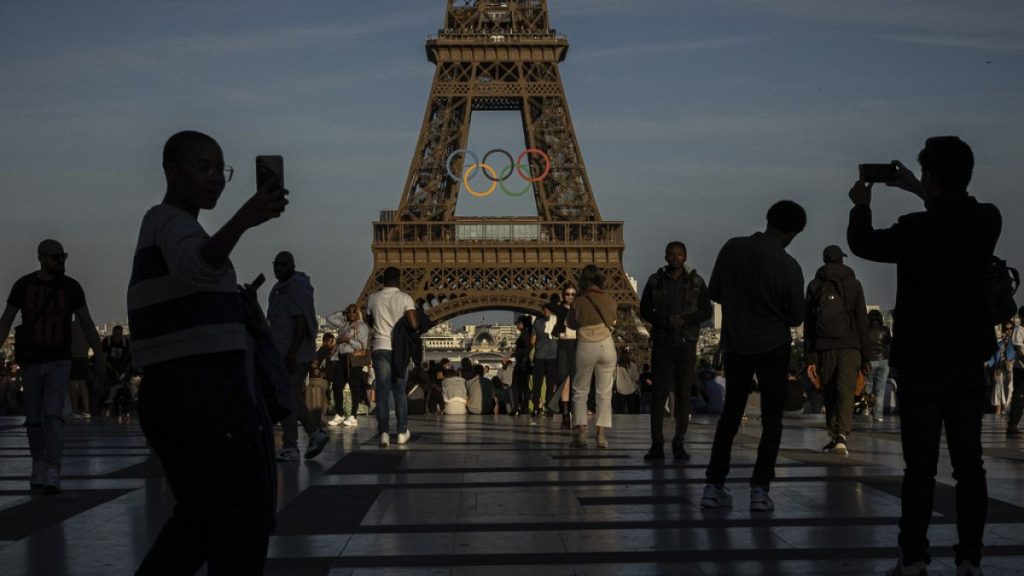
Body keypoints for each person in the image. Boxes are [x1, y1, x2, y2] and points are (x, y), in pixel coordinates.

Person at [127, 130, 287, 573]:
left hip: (179, 392)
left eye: (221, 169)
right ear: (171, 171)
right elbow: (197, 265)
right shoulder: (169, 221)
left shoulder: (170, 226)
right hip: (202, 394)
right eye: (203, 168)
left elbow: (190, 288)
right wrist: (245, 218)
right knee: (244, 518)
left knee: (201, 518)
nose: (215, 178)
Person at [847, 136, 999, 576]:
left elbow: (863, 243)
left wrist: (862, 203)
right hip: (967, 357)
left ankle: (913, 557)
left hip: (920, 361)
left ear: (931, 177)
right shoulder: (987, 221)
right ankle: (970, 557)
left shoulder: (914, 229)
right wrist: (921, 186)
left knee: (920, 468)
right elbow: (957, 213)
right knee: (971, 466)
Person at [701, 200, 806, 513]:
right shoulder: (789, 265)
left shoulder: (732, 248)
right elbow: (796, 316)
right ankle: (760, 490)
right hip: (773, 344)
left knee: (730, 415)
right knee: (772, 421)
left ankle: (713, 485)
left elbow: (715, 293)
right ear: (794, 232)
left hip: (736, 342)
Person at [0, 239, 106, 494]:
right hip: (32, 362)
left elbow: (88, 324)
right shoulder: (24, 285)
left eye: (63, 256)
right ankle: (40, 465)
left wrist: (100, 355)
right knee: (35, 419)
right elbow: (6, 320)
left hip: (59, 360)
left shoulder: (70, 287)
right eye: (56, 257)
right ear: (41, 258)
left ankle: (52, 469)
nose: (61, 261)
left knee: (52, 415)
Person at [639, 241, 712, 461]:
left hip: (685, 342)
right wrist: (665, 321)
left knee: (682, 395)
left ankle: (678, 441)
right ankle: (657, 443)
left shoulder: (696, 282)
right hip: (663, 342)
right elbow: (644, 310)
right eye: (672, 254)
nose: (675, 257)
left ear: (685, 256)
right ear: (665, 256)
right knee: (660, 394)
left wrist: (684, 320)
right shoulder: (655, 281)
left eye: (679, 254)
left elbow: (706, 310)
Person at [804, 245, 871, 457]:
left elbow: (810, 324)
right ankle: (842, 435)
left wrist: (810, 356)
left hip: (824, 346)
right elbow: (862, 320)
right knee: (846, 389)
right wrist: (866, 356)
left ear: (824, 260)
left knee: (830, 389)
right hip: (850, 345)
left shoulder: (815, 285)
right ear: (841, 260)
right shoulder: (854, 284)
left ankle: (834, 435)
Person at [269, 251, 329, 462]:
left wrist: (290, 354)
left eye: (283, 265)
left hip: (292, 355)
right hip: (288, 353)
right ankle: (315, 433)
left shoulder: (293, 288)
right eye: (276, 265)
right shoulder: (281, 289)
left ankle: (291, 445)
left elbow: (301, 323)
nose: (278, 269)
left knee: (287, 397)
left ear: (292, 265)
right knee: (292, 396)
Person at [568, 265, 618, 449]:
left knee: (580, 391)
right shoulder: (611, 300)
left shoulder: (578, 302)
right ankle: (601, 435)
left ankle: (581, 434)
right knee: (604, 393)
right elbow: (614, 321)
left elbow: (571, 324)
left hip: (586, 346)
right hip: (607, 345)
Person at [366, 266, 417, 447]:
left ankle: (384, 433)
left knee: (382, 391)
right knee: (400, 391)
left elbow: (369, 320)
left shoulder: (372, 298)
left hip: (380, 347)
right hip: (399, 349)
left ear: (382, 280)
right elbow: (413, 324)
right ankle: (402, 432)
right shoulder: (405, 298)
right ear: (399, 280)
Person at [326, 304, 370, 427]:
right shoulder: (344, 325)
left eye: (354, 312)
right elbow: (329, 318)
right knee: (336, 385)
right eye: (349, 312)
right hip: (341, 357)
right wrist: (342, 311)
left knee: (354, 387)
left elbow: (361, 346)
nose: (351, 314)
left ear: (358, 313)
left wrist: (347, 340)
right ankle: (339, 413)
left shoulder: (361, 327)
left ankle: (353, 416)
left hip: (353, 358)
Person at [531, 302, 560, 418]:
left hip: (539, 356)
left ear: (544, 311)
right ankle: (549, 408)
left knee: (537, 384)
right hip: (553, 356)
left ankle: (535, 408)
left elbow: (532, 341)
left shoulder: (537, 322)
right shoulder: (557, 322)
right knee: (550, 384)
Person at [555, 285, 578, 429]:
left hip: (576, 343)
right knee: (565, 381)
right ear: (563, 295)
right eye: (567, 294)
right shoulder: (557, 310)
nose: (570, 296)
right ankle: (565, 415)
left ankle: (576, 415)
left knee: (576, 381)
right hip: (563, 344)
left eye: (573, 294)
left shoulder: (579, 309)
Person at [866, 309, 893, 420]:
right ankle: (878, 415)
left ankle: (866, 409)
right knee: (880, 389)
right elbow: (888, 343)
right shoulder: (885, 330)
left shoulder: (866, 330)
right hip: (884, 361)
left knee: (868, 386)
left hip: (870, 360)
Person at [987, 323, 1014, 417]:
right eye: (1007, 329)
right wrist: (988, 363)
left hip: (1012, 370)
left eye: (1011, 328)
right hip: (1000, 369)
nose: (1009, 330)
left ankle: (1007, 409)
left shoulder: (1016, 341)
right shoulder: (1000, 343)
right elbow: (994, 357)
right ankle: (998, 411)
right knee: (998, 388)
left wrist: (1011, 362)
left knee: (1010, 389)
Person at [511, 315, 533, 416]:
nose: (516, 325)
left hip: (522, 363)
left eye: (518, 323)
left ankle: (517, 407)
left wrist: (516, 355)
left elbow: (526, 348)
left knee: (516, 385)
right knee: (524, 386)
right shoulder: (527, 333)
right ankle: (524, 406)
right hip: (525, 362)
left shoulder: (524, 335)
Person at [1006, 313, 1024, 436]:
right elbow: (1019, 349)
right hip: (1021, 368)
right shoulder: (1019, 330)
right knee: (1019, 396)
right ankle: (1012, 425)